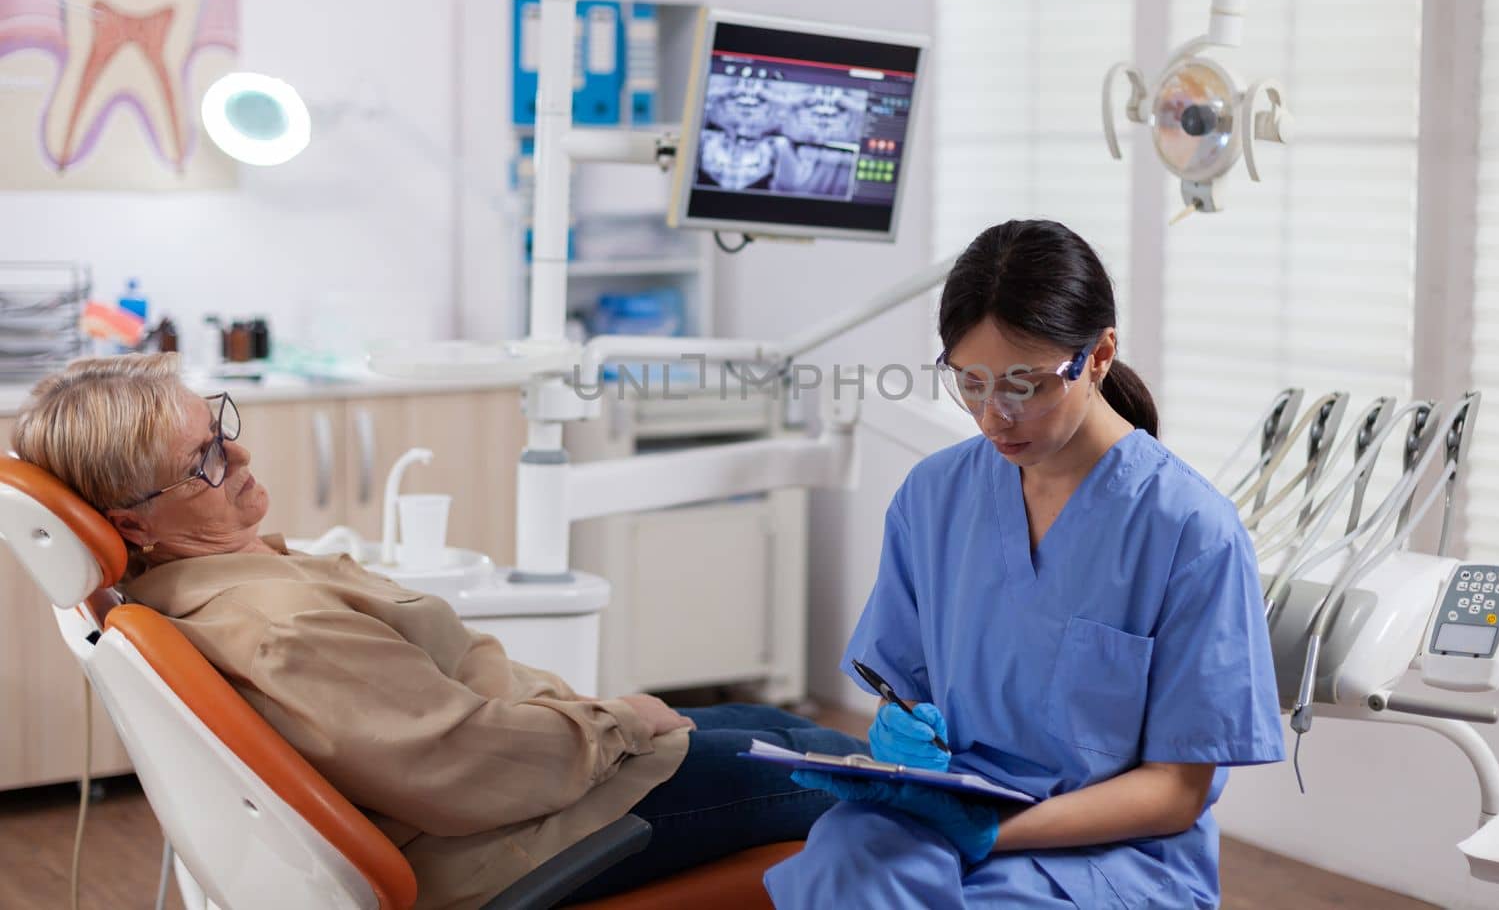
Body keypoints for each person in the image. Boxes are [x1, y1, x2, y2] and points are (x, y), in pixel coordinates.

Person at [12, 354, 864, 910]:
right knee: (861, 789)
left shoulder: (216, 583)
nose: (239, 460)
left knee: (788, 732)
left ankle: (986, 795)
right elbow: (463, 765)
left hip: (540, 786)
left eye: (220, 429)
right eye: (203, 463)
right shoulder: (276, 625)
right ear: (134, 521)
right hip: (526, 833)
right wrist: (624, 720)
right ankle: (994, 822)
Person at [765, 220, 1285, 908]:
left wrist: (986, 835)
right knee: (841, 869)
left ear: (1098, 356)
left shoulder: (1190, 531)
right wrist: (904, 730)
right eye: (970, 383)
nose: (993, 417)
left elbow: (1175, 793)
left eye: (1025, 384)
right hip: (943, 817)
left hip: (1109, 854)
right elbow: (903, 684)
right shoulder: (935, 496)